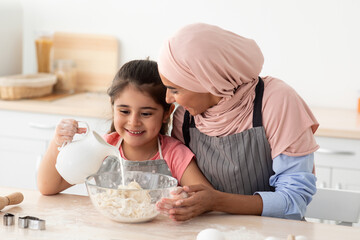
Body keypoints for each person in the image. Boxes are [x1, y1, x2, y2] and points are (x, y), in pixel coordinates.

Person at [156, 23, 319, 221]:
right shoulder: (185, 117)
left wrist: (215, 201)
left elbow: (294, 201)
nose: (168, 99)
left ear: (207, 80)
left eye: (175, 89)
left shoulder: (276, 101)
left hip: (273, 232)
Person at [37, 59, 211, 195]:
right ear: (113, 107)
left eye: (146, 113)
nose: (134, 122)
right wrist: (57, 143)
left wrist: (183, 198)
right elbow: (48, 187)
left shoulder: (174, 154)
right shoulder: (101, 149)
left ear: (167, 113)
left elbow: (205, 196)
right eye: (125, 111)